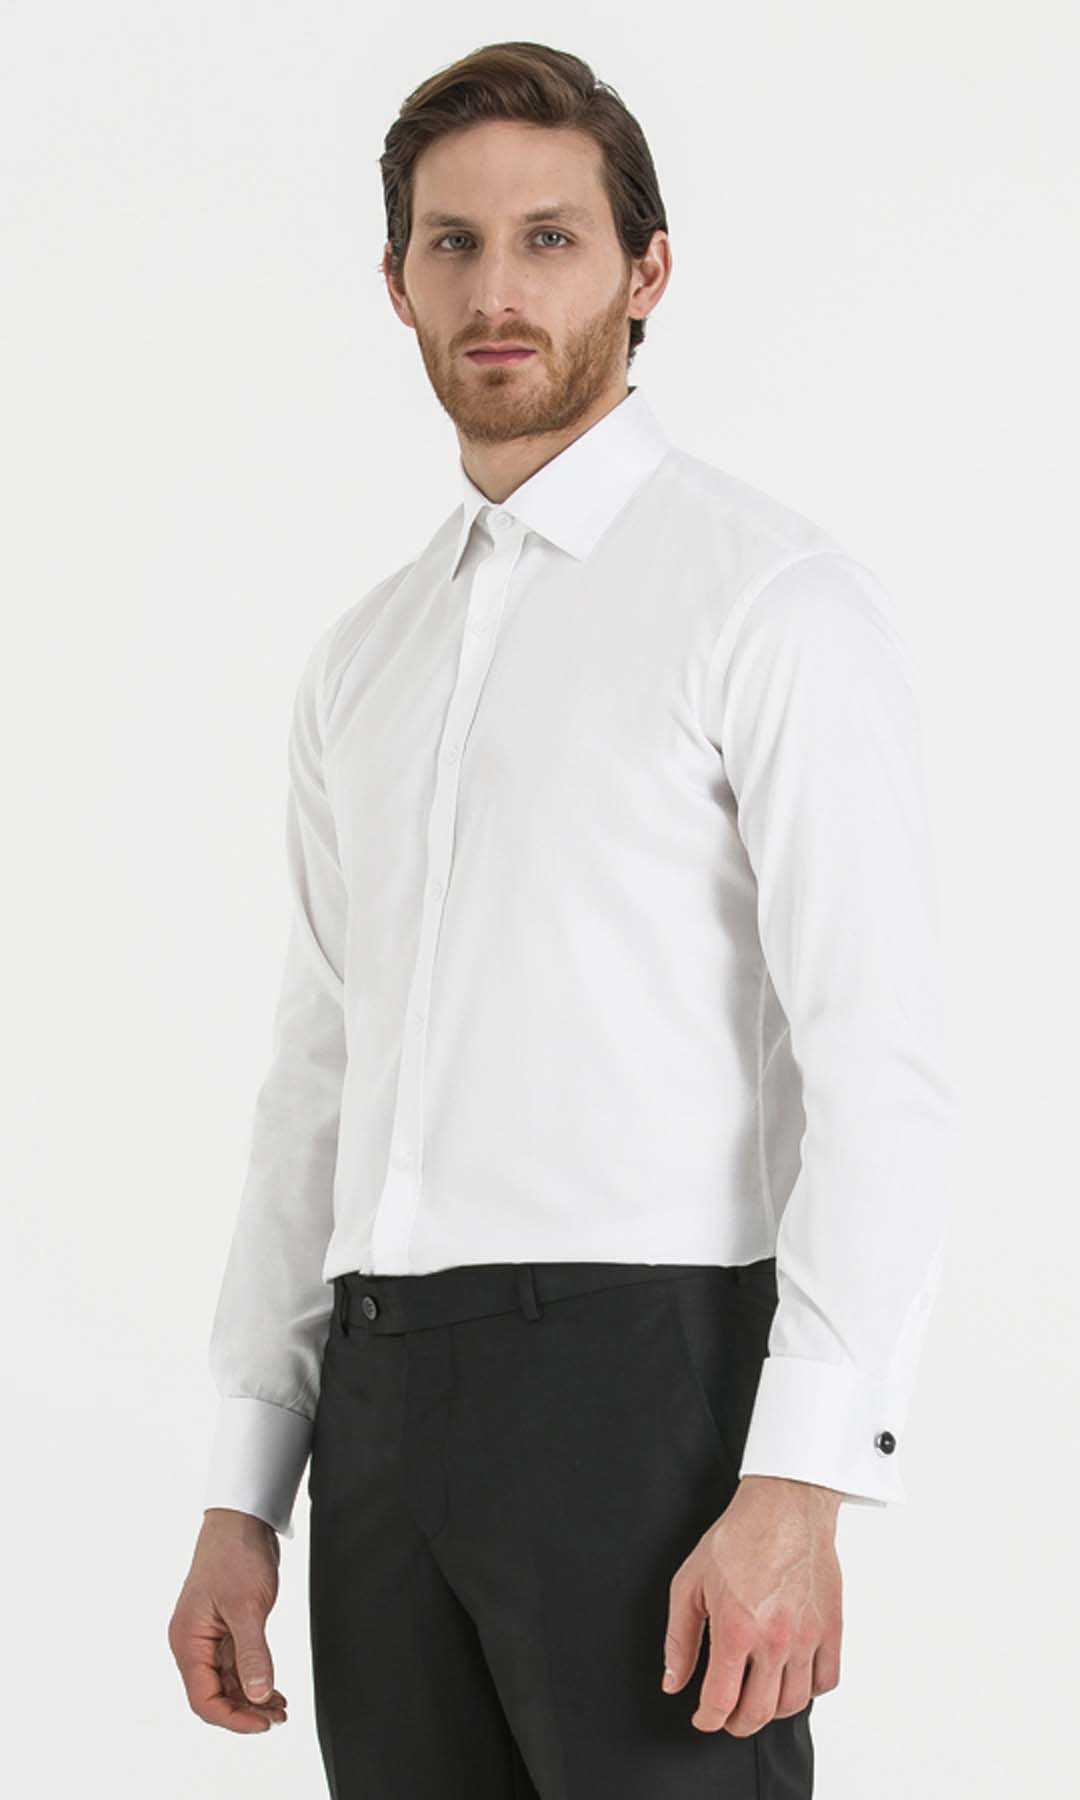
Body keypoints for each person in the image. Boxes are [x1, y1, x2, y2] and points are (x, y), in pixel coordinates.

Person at [167, 39, 956, 1798]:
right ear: (397, 283)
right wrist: (246, 1490)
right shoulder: (364, 659)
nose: (496, 292)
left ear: (645, 268)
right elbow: (317, 1084)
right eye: (451, 244)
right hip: (379, 1413)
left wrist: (801, 1483)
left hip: (646, 1394)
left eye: (550, 238)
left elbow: (878, 1067)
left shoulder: (770, 600)